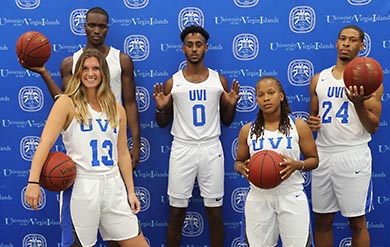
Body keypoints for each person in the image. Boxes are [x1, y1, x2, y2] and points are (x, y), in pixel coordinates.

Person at [19, 7, 141, 247]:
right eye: (85, 69)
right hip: (82, 186)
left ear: (104, 73)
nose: (90, 73)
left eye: (96, 69)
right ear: (77, 74)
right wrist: (33, 182)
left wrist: (131, 191)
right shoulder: (66, 104)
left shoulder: (116, 108)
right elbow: (44, 143)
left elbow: (123, 153)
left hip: (113, 184)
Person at [152, 25, 240, 247]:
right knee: (176, 214)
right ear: (183, 49)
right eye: (189, 45)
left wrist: (230, 105)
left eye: (198, 45)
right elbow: (162, 123)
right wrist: (161, 108)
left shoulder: (218, 81)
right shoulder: (173, 82)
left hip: (211, 148)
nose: (194, 49)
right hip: (182, 148)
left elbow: (227, 121)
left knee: (215, 215)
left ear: (206, 48)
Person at [307, 25, 383, 247]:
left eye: (352, 40)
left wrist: (358, 105)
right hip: (323, 154)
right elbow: (314, 118)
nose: (346, 43)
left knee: (357, 222)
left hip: (353, 154)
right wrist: (313, 123)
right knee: (322, 219)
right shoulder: (318, 79)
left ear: (361, 46)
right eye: (342, 38)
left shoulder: (371, 80)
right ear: (336, 43)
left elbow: (373, 126)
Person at [234, 76, 319, 246]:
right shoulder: (247, 130)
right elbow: (238, 162)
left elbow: (314, 160)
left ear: (281, 96)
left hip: (290, 194)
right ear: (256, 100)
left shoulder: (298, 126)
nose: (266, 98)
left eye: (271, 93)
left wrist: (298, 165)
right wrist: (241, 167)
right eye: (261, 95)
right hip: (259, 196)